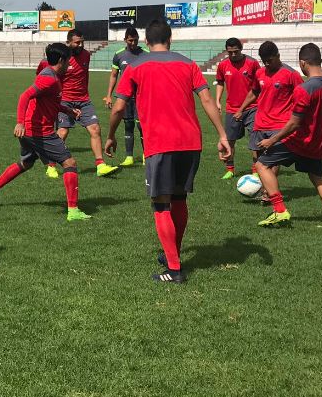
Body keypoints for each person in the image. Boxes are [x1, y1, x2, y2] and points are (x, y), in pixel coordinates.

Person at [106, 19, 230, 284]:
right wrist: (222, 135)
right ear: (170, 39)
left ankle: (174, 269)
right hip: (190, 142)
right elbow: (207, 100)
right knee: (179, 199)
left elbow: (118, 108)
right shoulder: (188, 64)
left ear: (147, 43)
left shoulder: (137, 66)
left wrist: (110, 136)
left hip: (160, 143)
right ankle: (171, 253)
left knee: (161, 203)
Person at [0, 43, 91, 221]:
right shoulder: (49, 78)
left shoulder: (51, 75)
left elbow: (51, 101)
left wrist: (68, 111)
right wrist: (20, 123)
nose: (70, 66)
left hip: (30, 132)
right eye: (68, 62)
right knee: (69, 162)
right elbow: (25, 96)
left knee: (26, 163)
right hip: (39, 131)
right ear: (61, 61)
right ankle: (73, 211)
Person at [253, 44, 322, 230]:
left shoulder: (304, 89)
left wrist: (272, 140)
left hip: (299, 142)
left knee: (261, 164)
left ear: (303, 63)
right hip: (320, 143)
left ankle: (279, 210)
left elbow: (294, 124)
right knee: (318, 178)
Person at [239, 41, 304, 193]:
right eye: (264, 61)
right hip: (260, 123)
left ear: (278, 56)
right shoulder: (260, 73)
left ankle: (269, 193)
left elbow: (304, 97)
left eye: (270, 60)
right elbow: (254, 92)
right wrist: (241, 109)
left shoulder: (291, 74)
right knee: (258, 159)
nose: (267, 64)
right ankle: (264, 187)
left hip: (280, 124)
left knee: (273, 160)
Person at [56, 29, 119, 177]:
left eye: (82, 42)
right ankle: (51, 165)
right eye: (77, 42)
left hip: (84, 100)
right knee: (63, 132)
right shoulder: (62, 58)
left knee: (95, 129)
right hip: (65, 100)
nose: (80, 45)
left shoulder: (86, 55)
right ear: (69, 42)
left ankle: (100, 165)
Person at [214, 37, 260, 179]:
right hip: (232, 109)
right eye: (230, 52)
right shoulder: (223, 65)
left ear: (241, 49)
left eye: (236, 51)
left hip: (252, 107)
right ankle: (230, 169)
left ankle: (255, 170)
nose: (233, 55)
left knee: (255, 140)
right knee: (229, 141)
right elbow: (220, 82)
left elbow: (259, 85)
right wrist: (217, 100)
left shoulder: (252, 64)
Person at [103, 26, 145, 167]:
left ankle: (146, 155)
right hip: (125, 98)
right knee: (128, 125)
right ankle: (129, 157)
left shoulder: (145, 54)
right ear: (125, 40)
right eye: (130, 40)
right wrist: (108, 95)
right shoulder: (119, 55)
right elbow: (114, 75)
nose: (133, 43)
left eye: (135, 40)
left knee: (142, 127)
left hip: (141, 97)